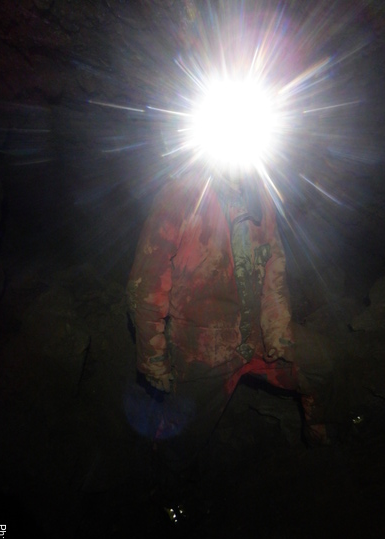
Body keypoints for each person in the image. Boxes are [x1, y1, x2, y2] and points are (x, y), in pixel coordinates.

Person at [127, 168, 334, 514]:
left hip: (257, 336)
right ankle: (169, 502)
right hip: (199, 350)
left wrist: (278, 333)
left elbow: (274, 265)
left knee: (320, 364)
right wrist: (154, 359)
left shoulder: (259, 193)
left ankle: (321, 447)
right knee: (182, 439)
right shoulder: (182, 195)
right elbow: (145, 286)